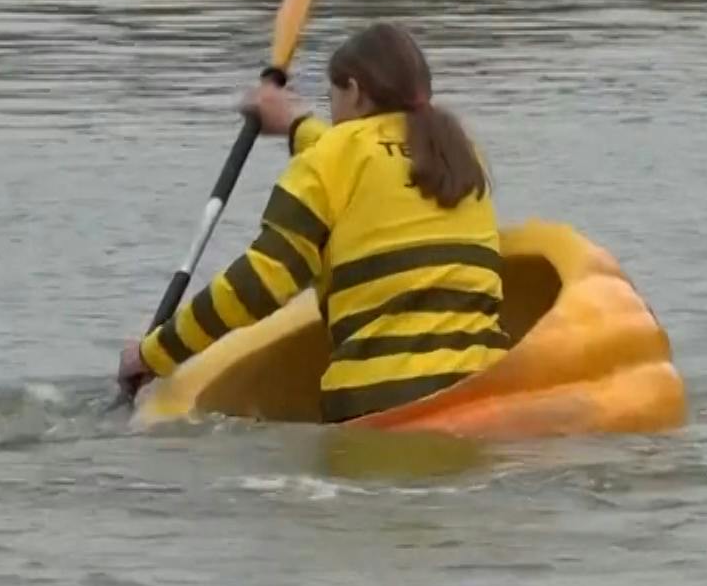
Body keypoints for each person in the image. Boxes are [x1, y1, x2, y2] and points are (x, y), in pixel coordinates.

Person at [116, 22, 513, 422]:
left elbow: (258, 284)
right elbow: (364, 156)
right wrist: (292, 121)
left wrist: (154, 354)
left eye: (331, 97)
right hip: (480, 396)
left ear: (355, 92)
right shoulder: (459, 153)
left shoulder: (331, 158)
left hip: (379, 409)